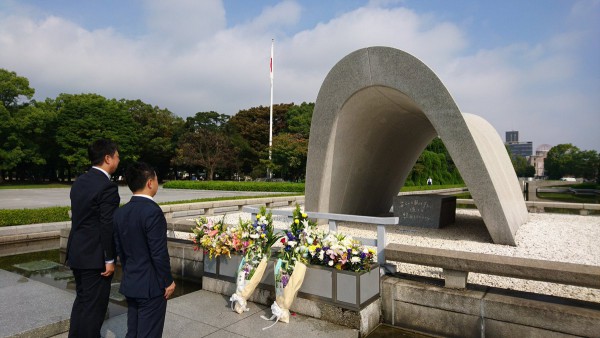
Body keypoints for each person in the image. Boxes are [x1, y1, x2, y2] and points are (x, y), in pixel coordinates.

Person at [113, 162, 176, 338]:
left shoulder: (120, 213)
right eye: (156, 179)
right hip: (151, 286)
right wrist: (168, 281)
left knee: (133, 331)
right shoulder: (152, 212)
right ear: (150, 183)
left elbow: (120, 250)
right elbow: (158, 253)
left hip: (131, 281)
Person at [65, 139, 120, 337]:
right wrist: (109, 259)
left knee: (82, 302)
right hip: (95, 258)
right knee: (94, 310)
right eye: (117, 156)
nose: (118, 160)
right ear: (107, 158)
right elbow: (107, 226)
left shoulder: (80, 181)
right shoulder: (107, 187)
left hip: (77, 253)